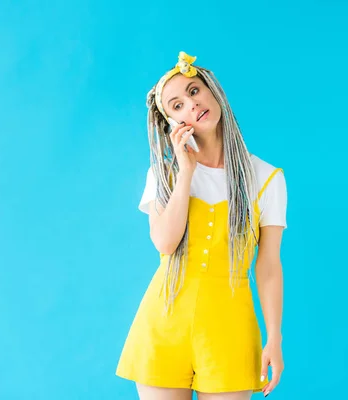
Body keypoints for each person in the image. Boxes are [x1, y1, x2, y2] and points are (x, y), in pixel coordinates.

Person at [116, 51, 287, 400]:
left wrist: (275, 337)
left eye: (194, 91)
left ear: (213, 91)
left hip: (230, 331)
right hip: (162, 327)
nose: (191, 106)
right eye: (176, 105)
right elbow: (165, 243)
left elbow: (268, 265)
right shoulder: (165, 175)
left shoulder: (267, 178)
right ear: (172, 123)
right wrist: (186, 173)